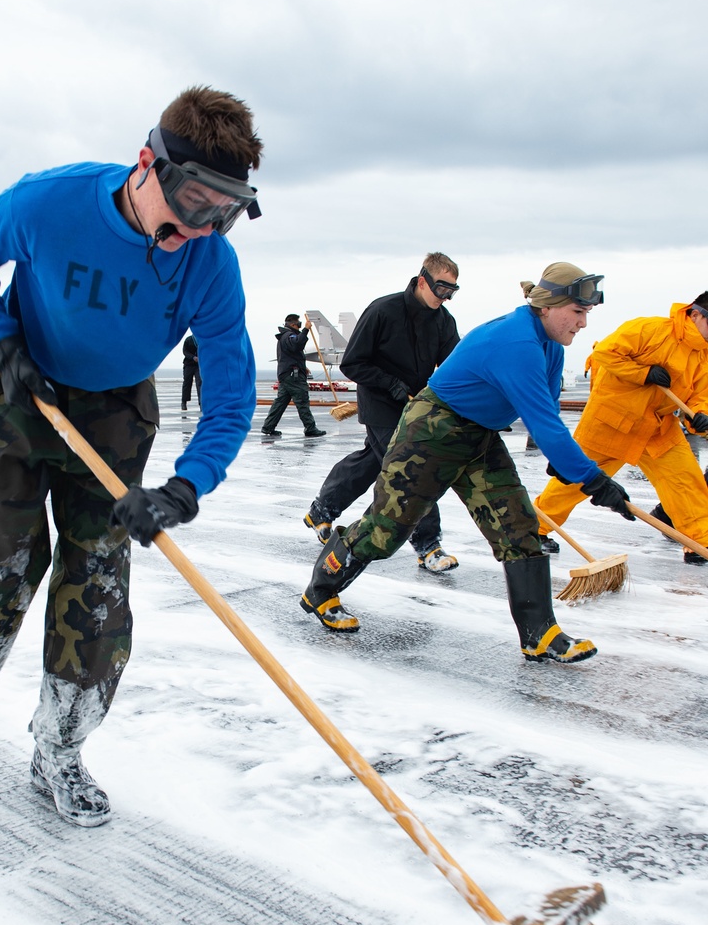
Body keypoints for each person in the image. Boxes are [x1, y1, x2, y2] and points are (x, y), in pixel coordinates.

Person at [0, 85, 261, 827]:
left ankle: (60, 750)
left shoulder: (210, 265)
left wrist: (182, 490)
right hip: (21, 388)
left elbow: (233, 395)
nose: (203, 226)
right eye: (195, 199)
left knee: (98, 592)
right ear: (148, 165)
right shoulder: (49, 203)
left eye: (223, 210)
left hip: (113, 415)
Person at [300, 262, 633, 662]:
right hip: (432, 431)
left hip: (480, 435)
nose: (582, 324)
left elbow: (545, 414)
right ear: (547, 306)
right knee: (386, 531)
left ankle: (539, 634)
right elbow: (544, 421)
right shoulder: (517, 343)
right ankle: (321, 590)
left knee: (518, 527)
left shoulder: (549, 346)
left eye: (586, 315)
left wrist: (562, 462)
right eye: (577, 313)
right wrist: (594, 481)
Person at [304, 253, 461, 574]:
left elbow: (455, 366)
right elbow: (352, 363)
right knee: (415, 467)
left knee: (373, 461)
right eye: (442, 289)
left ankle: (322, 508)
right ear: (422, 281)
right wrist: (392, 385)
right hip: (380, 404)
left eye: (452, 292)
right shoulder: (383, 311)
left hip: (414, 405)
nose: (446, 297)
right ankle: (428, 545)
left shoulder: (444, 321)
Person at [536, 291, 708, 565]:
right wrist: (643, 373)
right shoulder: (650, 329)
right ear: (696, 314)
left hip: (657, 428)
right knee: (575, 481)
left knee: (686, 483)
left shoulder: (704, 355)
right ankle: (536, 530)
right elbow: (605, 353)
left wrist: (699, 416)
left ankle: (700, 542)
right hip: (612, 423)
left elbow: (701, 395)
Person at [260, 314, 326, 438]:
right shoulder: (289, 336)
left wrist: (302, 367)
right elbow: (297, 345)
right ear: (293, 325)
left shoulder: (284, 337)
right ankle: (310, 428)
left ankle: (268, 427)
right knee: (302, 400)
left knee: (280, 402)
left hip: (287, 374)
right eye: (299, 324)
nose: (300, 327)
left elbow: (291, 354)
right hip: (293, 376)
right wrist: (306, 329)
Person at [181, 332, 201, 412]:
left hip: (198, 366)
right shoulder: (188, 340)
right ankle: (184, 402)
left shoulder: (202, 339)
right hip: (188, 365)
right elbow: (185, 351)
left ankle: (201, 403)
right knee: (187, 383)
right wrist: (192, 357)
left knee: (199, 383)